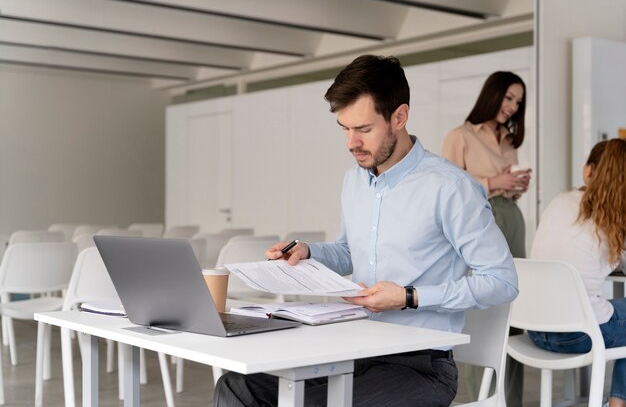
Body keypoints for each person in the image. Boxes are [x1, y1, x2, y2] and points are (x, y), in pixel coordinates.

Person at [213, 55, 518, 407]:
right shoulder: (355, 180)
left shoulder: (451, 188)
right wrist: (309, 251)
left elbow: (502, 280)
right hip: (355, 348)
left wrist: (408, 297)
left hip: (419, 364)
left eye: (363, 129)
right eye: (345, 128)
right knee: (238, 386)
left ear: (399, 117)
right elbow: (349, 250)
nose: (351, 143)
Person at [442, 71, 530, 407]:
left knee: (515, 309)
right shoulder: (460, 136)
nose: (512, 107)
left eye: (518, 102)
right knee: (486, 306)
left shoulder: (508, 141)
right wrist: (495, 181)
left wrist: (516, 185)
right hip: (481, 220)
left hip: (511, 216)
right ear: (492, 95)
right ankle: (484, 397)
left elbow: (505, 186)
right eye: (508, 98)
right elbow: (448, 188)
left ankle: (514, 400)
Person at [530, 138, 626, 407]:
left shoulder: (560, 201)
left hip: (535, 329)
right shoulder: (615, 217)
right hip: (576, 336)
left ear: (588, 170)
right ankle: (619, 403)